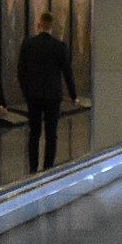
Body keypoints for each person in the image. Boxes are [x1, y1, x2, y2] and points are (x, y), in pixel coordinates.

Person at [14, 10, 78, 174]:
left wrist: (26, 91)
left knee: (34, 132)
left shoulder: (28, 45)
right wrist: (73, 95)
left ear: (39, 24)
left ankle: (33, 168)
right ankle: (48, 168)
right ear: (51, 25)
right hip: (53, 96)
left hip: (34, 96)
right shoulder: (59, 46)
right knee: (51, 133)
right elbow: (67, 73)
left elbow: (21, 71)